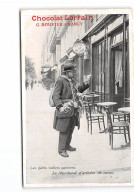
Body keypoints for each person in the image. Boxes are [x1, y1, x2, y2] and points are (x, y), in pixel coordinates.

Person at [53, 60, 91, 157]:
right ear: (67, 72)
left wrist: (86, 83)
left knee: (70, 129)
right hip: (65, 109)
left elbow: (78, 90)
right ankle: (61, 150)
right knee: (64, 130)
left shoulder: (71, 81)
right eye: (73, 71)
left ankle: (67, 145)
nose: (75, 72)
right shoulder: (61, 80)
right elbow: (55, 95)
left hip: (73, 110)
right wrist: (60, 106)